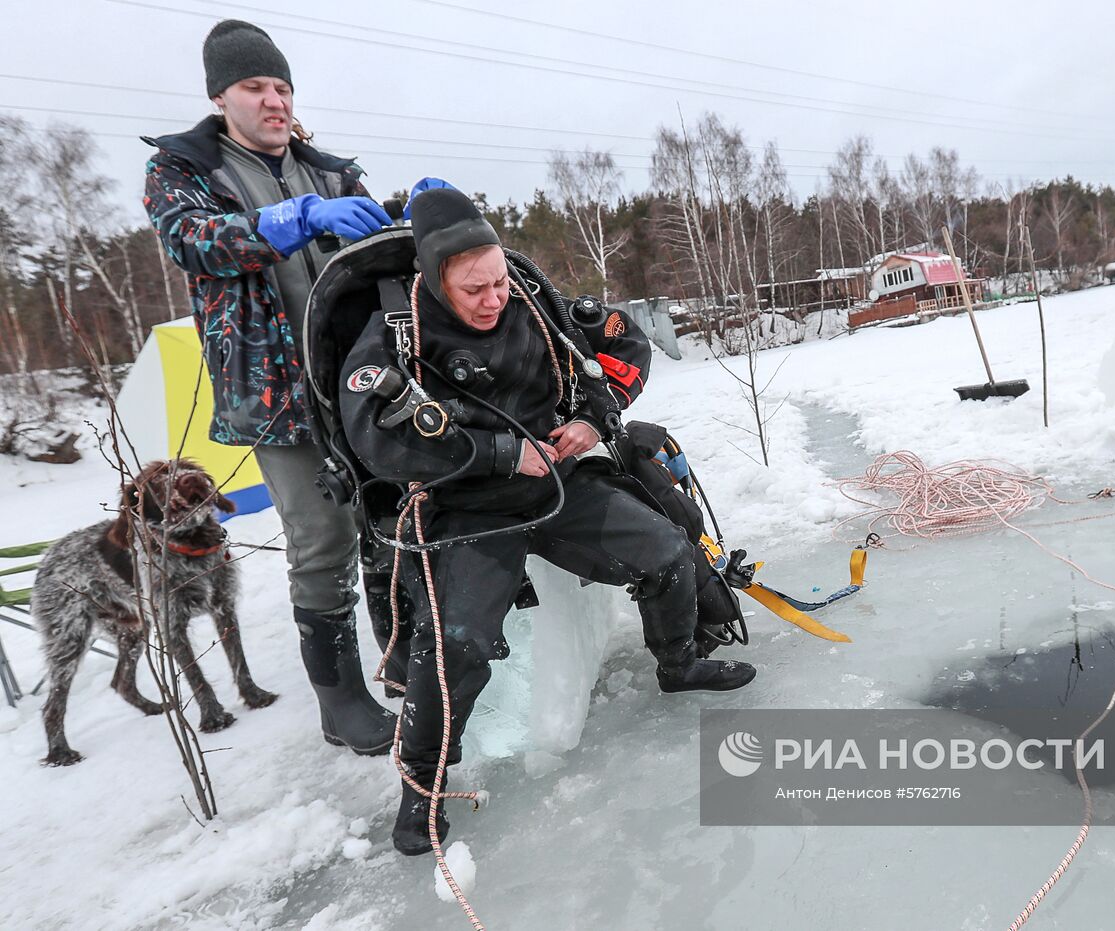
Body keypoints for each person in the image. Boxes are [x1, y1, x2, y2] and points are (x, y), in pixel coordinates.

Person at [338, 187, 756, 855]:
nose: (493, 297)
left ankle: (678, 664)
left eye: (499, 279)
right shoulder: (397, 329)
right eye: (474, 288)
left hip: (559, 484)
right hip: (467, 506)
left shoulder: (529, 296)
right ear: (436, 278)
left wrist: (594, 420)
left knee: (669, 552)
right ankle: (422, 787)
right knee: (456, 644)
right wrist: (503, 453)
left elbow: (601, 361)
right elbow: (376, 441)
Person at [142, 19, 408, 754]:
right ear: (220, 95)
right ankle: (340, 699)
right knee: (320, 539)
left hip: (357, 379)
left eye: (283, 86)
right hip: (272, 392)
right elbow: (192, 239)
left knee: (386, 517)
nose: (274, 100)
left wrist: (414, 212)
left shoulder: (328, 168)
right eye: (256, 87)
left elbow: (380, 239)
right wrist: (289, 218)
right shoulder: (183, 170)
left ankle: (397, 661)